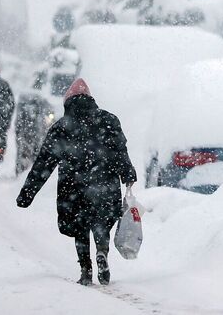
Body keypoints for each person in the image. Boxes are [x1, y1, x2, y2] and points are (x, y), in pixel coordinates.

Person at [16, 79, 136, 286]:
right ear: (90, 99)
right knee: (101, 222)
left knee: (80, 227)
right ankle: (102, 252)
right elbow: (120, 151)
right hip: (104, 183)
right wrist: (128, 174)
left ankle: (85, 268)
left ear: (67, 103)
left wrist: (27, 194)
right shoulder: (109, 120)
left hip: (74, 186)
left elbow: (43, 164)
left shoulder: (62, 127)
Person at [14, 72, 53, 175]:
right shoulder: (39, 97)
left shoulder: (25, 97)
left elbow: (18, 116)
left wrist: (18, 128)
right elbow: (49, 111)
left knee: (23, 151)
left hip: (25, 129)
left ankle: (22, 170)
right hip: (36, 129)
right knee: (36, 151)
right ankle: (33, 171)